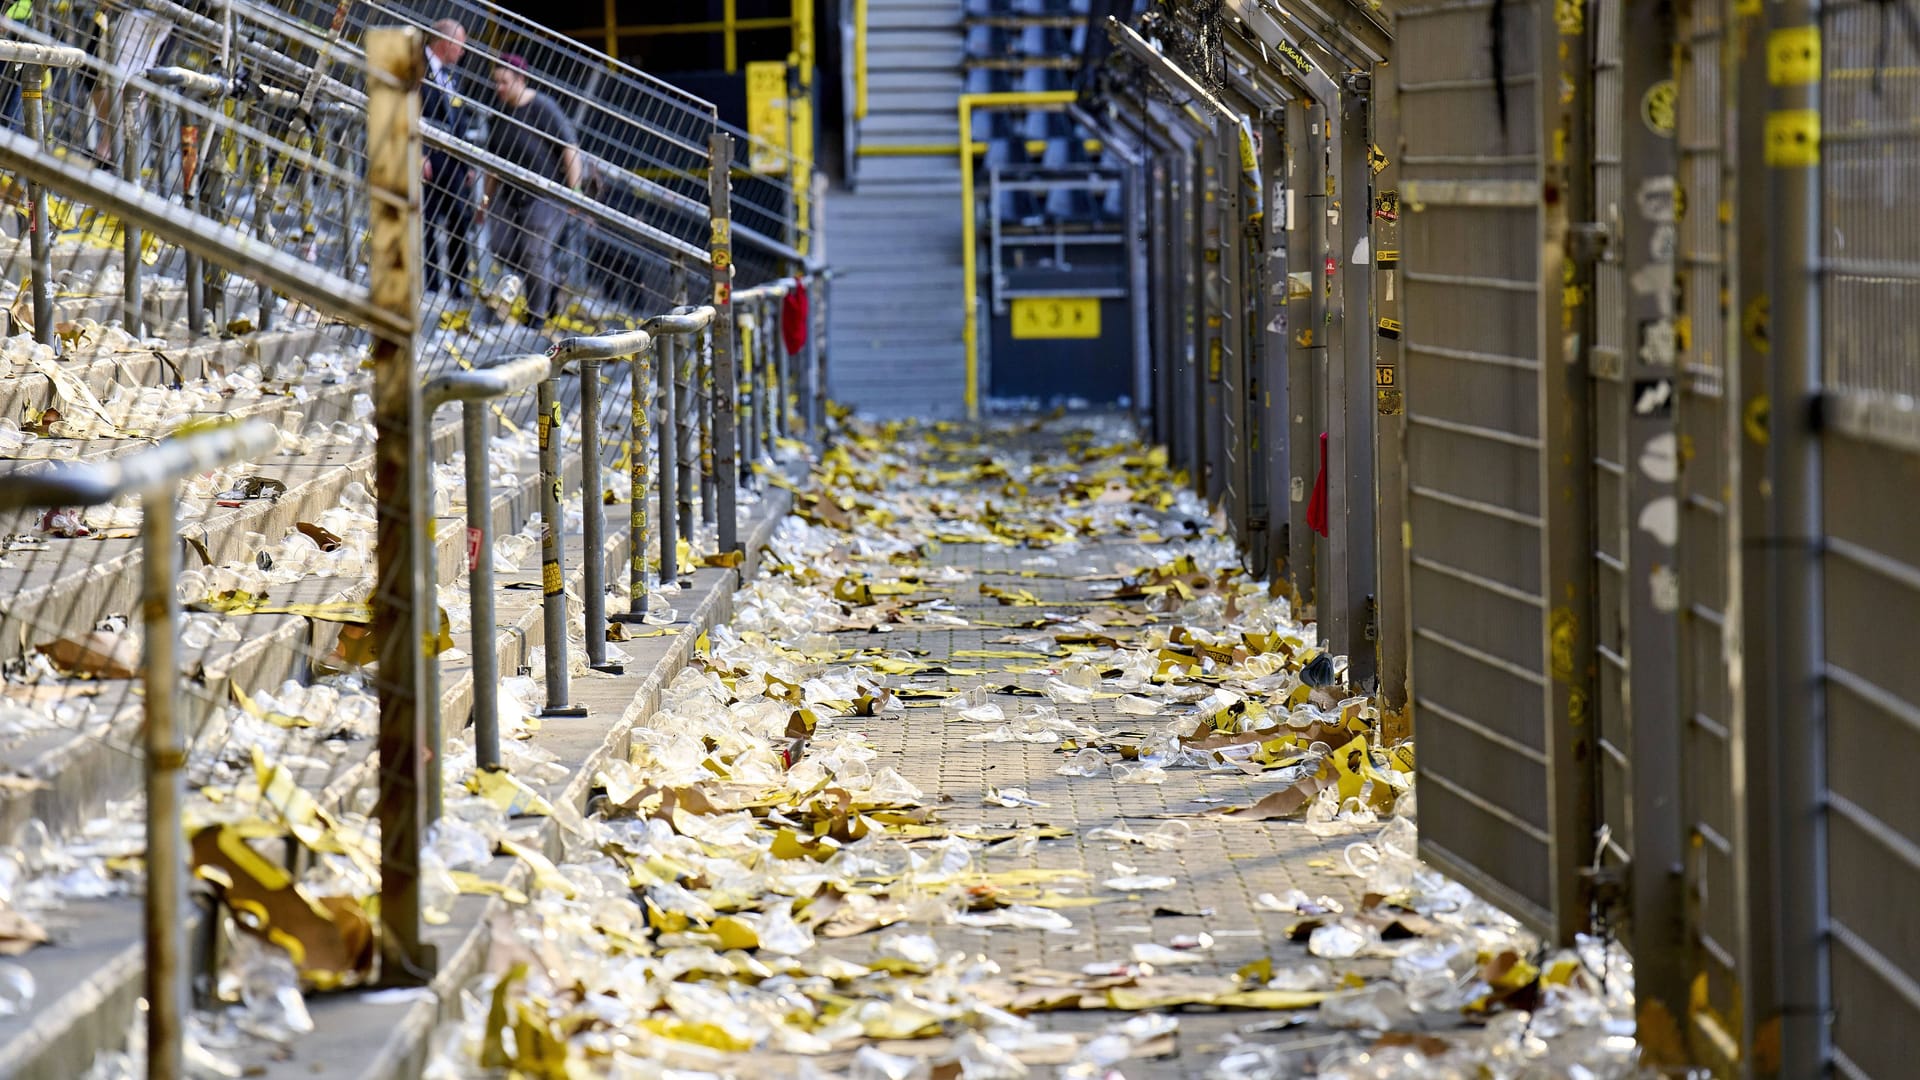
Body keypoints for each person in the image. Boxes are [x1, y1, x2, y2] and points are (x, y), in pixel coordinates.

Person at [480, 53, 580, 326]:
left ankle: (536, 316)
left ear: (521, 80)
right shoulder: (498, 113)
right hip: (510, 194)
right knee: (499, 246)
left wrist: (574, 192)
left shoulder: (543, 107)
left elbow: (569, 148)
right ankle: (553, 281)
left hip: (545, 195)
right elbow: (493, 164)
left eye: (505, 82)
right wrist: (485, 200)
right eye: (496, 82)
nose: (499, 87)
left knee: (535, 253)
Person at [421, 18, 471, 297]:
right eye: (460, 45)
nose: (462, 52)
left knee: (459, 219)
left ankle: (457, 281)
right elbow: (410, 111)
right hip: (428, 159)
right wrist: (418, 155)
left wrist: (468, 164)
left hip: (453, 162)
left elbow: (459, 118)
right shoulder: (416, 68)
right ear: (445, 43)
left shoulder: (452, 75)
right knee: (426, 221)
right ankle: (429, 283)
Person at [89, 2, 172, 166]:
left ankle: (107, 152)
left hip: (139, 12)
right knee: (132, 79)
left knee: (118, 77)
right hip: (164, 16)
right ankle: (111, 152)